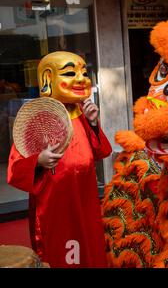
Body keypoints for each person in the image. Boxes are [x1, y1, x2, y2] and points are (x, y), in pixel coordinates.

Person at [7, 51, 112, 267]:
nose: (81, 78)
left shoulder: (82, 115)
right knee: (63, 251)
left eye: (84, 72)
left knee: (89, 246)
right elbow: (15, 171)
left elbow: (102, 152)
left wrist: (93, 123)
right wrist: (38, 161)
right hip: (54, 202)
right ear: (47, 79)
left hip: (85, 196)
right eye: (70, 73)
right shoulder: (38, 119)